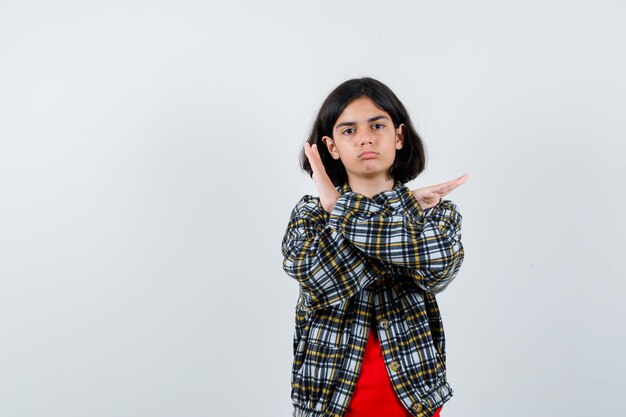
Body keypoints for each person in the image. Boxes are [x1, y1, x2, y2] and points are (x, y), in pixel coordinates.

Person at [281, 77, 468, 417]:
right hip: (327, 399)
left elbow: (438, 266)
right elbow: (316, 278)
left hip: (413, 396)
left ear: (398, 135)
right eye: (348, 130)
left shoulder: (438, 212)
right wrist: (401, 211)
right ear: (331, 146)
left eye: (377, 125)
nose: (365, 137)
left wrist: (338, 207)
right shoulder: (310, 213)